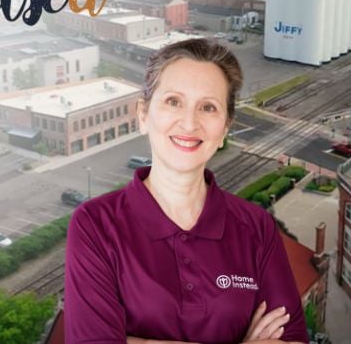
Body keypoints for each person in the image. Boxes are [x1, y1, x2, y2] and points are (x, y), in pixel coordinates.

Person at [65, 38, 308, 344]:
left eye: (208, 107)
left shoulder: (256, 227)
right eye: (173, 101)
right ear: (143, 114)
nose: (190, 123)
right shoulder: (95, 224)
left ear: (225, 129)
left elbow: (294, 339)